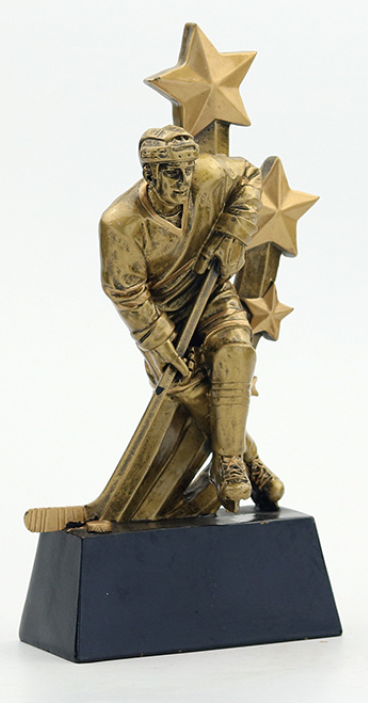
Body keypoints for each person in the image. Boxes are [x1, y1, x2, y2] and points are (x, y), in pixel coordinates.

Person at [99, 125, 283, 512]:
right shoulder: (120, 223)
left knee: (237, 351)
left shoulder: (208, 174)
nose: (184, 182)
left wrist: (231, 233)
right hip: (162, 317)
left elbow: (250, 176)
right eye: (172, 173)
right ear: (149, 173)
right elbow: (126, 292)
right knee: (190, 390)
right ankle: (250, 459)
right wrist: (160, 343)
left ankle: (228, 464)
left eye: (187, 170)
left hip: (210, 293)